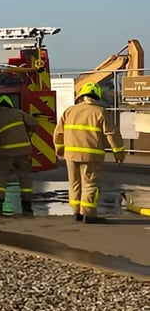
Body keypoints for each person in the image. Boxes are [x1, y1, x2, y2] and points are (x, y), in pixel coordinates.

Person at [53, 82, 126, 223]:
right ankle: (89, 215)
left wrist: (60, 149)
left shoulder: (69, 111)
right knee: (90, 185)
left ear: (81, 96)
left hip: (71, 155)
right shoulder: (101, 112)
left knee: (74, 184)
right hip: (92, 155)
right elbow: (112, 134)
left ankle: (77, 213)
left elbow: (58, 133)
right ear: (97, 96)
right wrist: (119, 153)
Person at [0, 95, 38, 215]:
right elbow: (34, 122)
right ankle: (27, 203)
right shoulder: (19, 112)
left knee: (0, 176)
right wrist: (28, 132)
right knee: (25, 175)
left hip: (7, 152)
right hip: (24, 150)